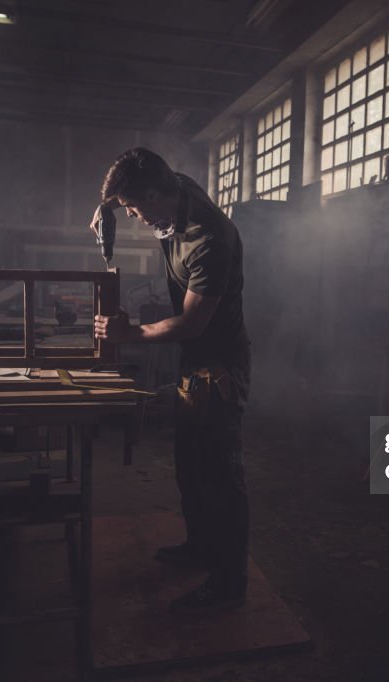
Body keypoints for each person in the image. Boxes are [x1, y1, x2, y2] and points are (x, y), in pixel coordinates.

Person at [91, 147, 250, 612]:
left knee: (220, 476)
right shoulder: (174, 189)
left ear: (159, 194)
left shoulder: (209, 238)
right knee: (190, 468)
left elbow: (191, 325)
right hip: (193, 364)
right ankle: (200, 548)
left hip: (220, 364)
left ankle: (227, 585)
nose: (136, 218)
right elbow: (139, 182)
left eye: (136, 209)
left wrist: (130, 334)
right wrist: (107, 210)